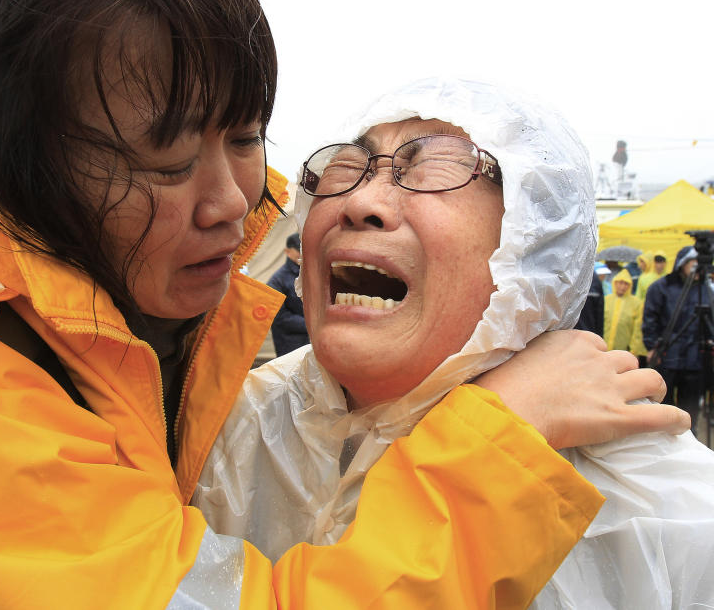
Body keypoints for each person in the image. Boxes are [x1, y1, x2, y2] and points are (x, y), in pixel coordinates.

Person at [0, 0, 687, 607]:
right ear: (14, 170)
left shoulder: (659, 501)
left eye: (246, 135)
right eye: (162, 162)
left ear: (538, 252)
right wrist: (505, 445)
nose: (238, 201)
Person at [194, 78, 706, 609]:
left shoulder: (662, 504)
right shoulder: (217, 424)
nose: (361, 201)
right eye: (347, 168)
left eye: (434, 170)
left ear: (533, 246)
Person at [643, 245, 707, 431]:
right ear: (683, 264)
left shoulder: (704, 289)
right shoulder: (661, 287)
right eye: (694, 264)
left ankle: (690, 435)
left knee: (690, 409)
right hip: (668, 355)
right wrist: (652, 346)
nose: (698, 269)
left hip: (694, 359)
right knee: (666, 406)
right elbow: (650, 319)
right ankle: (666, 436)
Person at [266, 232, 310, 356]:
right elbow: (279, 317)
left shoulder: (310, 272)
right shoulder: (277, 280)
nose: (302, 253)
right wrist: (311, 324)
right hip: (289, 344)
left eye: (304, 249)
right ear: (287, 251)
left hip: (312, 342)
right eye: (298, 250)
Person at [602, 269, 647, 358]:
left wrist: (634, 350)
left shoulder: (636, 303)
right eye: (620, 283)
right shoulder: (606, 300)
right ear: (615, 283)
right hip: (602, 348)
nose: (623, 286)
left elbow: (637, 329)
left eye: (626, 284)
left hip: (624, 351)